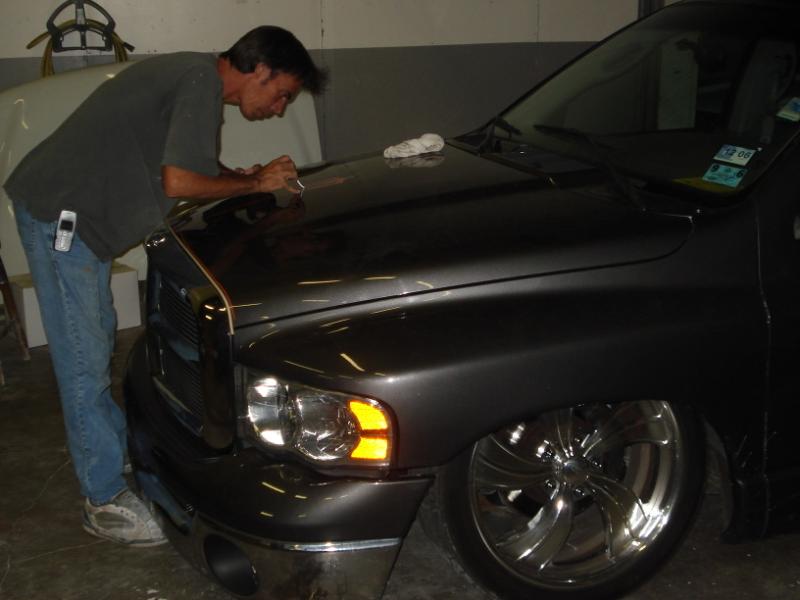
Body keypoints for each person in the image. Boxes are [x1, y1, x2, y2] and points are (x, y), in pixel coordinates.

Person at [3, 25, 326, 546]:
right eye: (282, 94)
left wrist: (241, 178)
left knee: (95, 339)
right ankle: (102, 501)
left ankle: (106, 458)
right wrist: (253, 182)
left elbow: (189, 164)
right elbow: (179, 181)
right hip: (62, 221)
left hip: (70, 218)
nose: (280, 108)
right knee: (83, 359)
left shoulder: (194, 74)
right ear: (261, 71)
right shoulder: (199, 81)